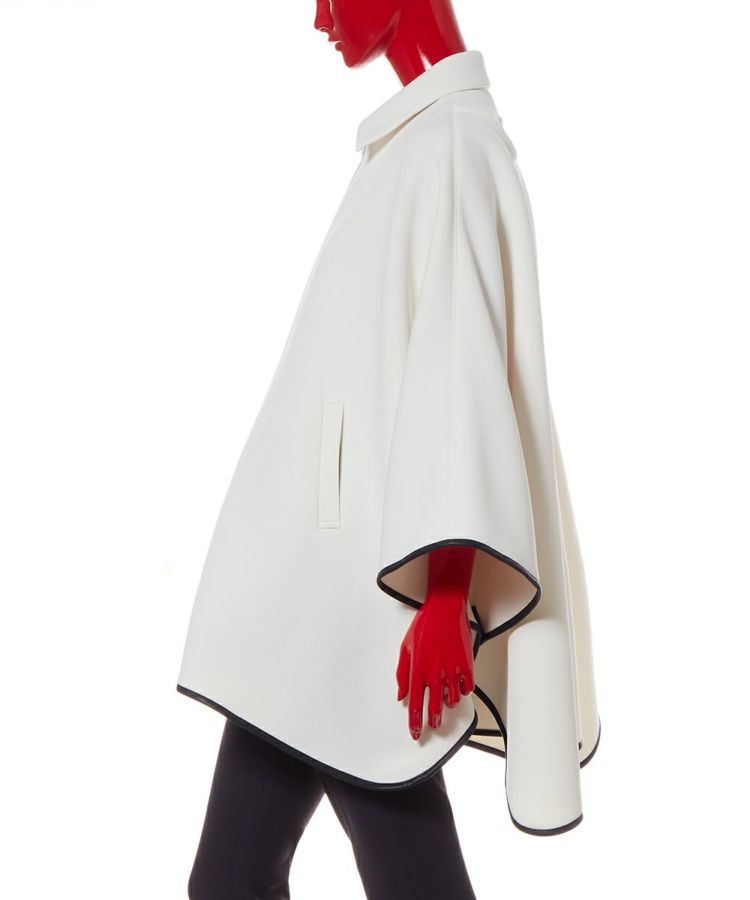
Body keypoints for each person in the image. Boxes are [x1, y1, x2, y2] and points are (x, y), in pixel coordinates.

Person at [178, 2, 600, 897]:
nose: (319, 17)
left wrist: (446, 592)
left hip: (368, 608)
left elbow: (462, 375)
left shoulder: (452, 147)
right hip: (312, 606)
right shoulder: (411, 144)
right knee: (230, 879)